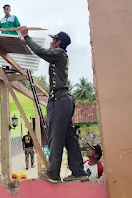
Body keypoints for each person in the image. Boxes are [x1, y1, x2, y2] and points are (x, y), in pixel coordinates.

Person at [19, 26, 88, 184]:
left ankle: (53, 174)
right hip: (65, 101)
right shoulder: (61, 56)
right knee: (69, 137)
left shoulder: (58, 53)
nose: (51, 42)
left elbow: (42, 52)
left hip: (59, 100)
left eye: (53, 40)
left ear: (58, 42)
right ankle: (79, 172)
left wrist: (27, 38)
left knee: (55, 137)